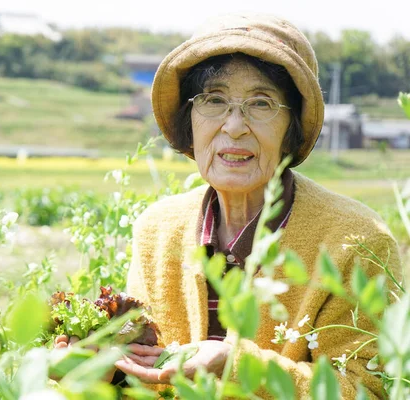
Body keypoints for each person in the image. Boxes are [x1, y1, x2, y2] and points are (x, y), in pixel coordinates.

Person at [109, 13, 402, 400]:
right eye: (214, 100)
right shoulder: (157, 230)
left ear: (292, 127)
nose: (234, 126)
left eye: (260, 103)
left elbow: (367, 391)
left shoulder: (356, 241)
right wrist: (101, 370)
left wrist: (238, 364)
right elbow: (143, 370)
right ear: (189, 120)